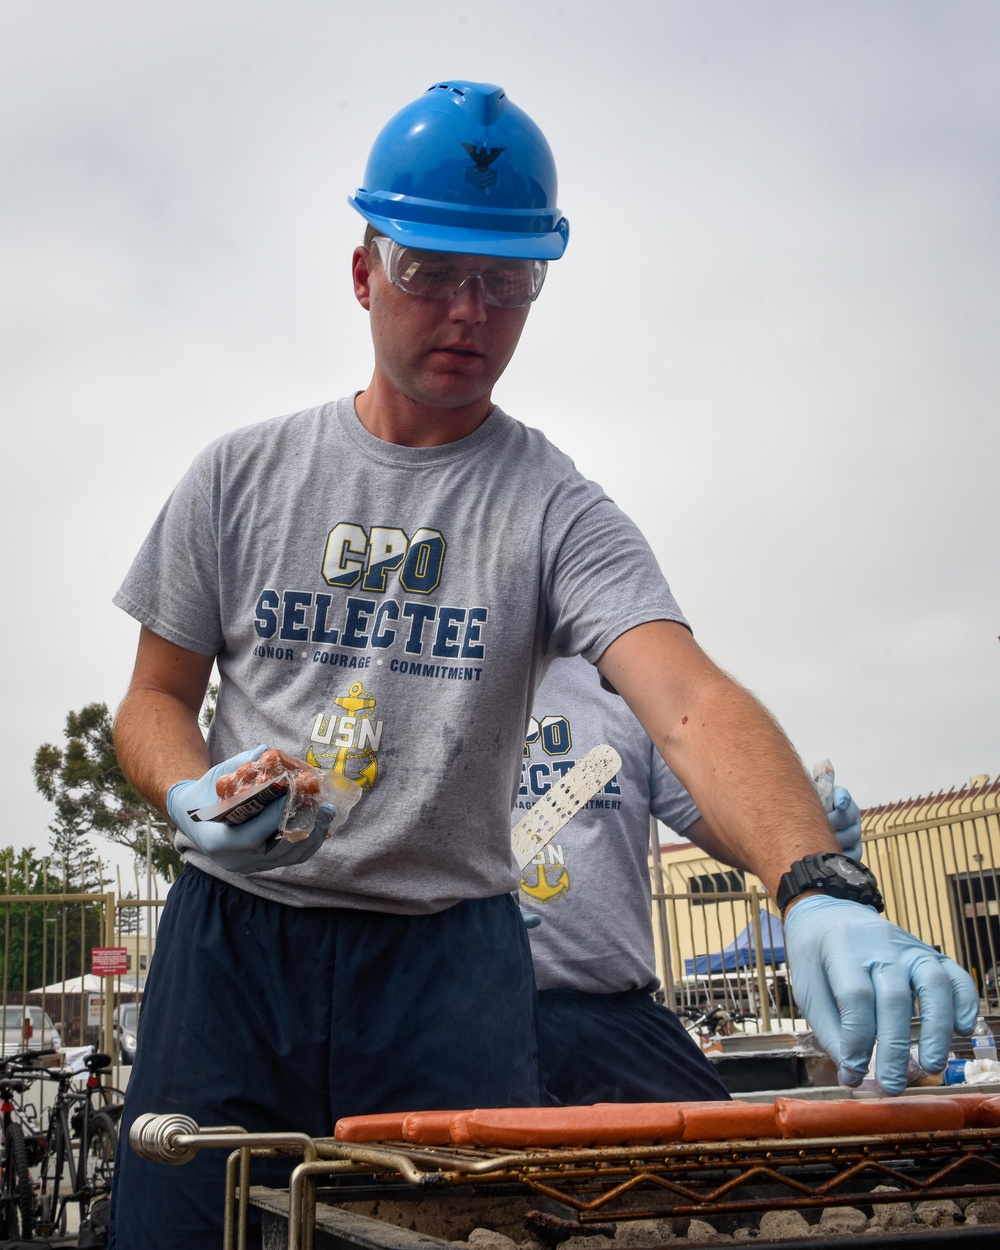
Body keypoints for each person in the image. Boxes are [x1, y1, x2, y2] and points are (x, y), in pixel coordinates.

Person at [108, 80, 978, 1248]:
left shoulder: (554, 508)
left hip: (443, 962)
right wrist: (188, 790)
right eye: (430, 270)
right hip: (234, 943)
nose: (468, 309)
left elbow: (684, 696)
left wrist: (815, 882)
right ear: (363, 272)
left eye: (507, 281)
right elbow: (155, 697)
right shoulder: (241, 476)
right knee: (182, 1226)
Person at [517, 655, 865, 1106]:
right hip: (460, 1009)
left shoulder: (626, 685)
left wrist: (801, 839)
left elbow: (730, 821)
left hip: (611, 1018)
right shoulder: (427, 671)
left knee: (718, 1167)